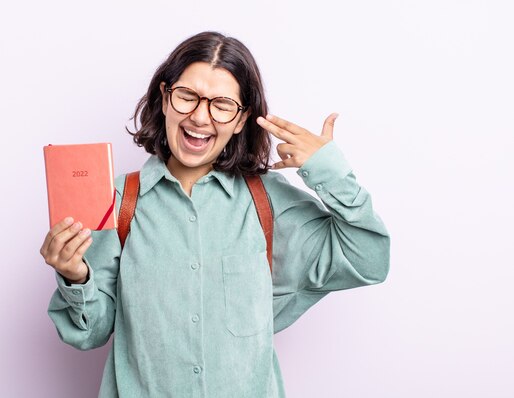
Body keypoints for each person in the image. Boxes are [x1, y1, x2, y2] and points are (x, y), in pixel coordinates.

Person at [40, 31, 390, 397]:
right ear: (165, 98)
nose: (200, 117)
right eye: (187, 96)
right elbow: (88, 333)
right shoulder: (116, 200)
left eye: (221, 104)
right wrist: (75, 276)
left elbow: (369, 260)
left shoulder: (267, 201)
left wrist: (326, 168)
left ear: (241, 120)